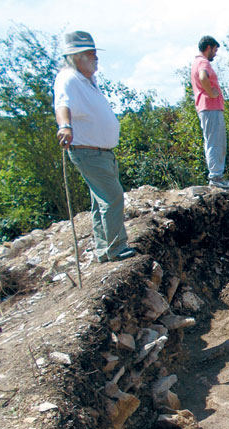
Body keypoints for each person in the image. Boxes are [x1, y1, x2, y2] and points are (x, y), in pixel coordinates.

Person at [54, 31, 136, 264]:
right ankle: (116, 248)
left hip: (100, 152)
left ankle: (104, 248)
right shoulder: (68, 79)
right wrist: (65, 126)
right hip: (87, 150)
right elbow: (63, 104)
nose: (96, 58)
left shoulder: (86, 81)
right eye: (91, 54)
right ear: (76, 56)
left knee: (101, 201)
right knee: (112, 197)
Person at [191, 36, 229, 189]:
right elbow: (203, 76)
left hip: (207, 108)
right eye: (215, 50)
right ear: (208, 47)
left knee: (212, 141)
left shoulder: (197, 62)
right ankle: (216, 177)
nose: (215, 53)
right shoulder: (203, 62)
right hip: (210, 106)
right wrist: (211, 92)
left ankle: (216, 176)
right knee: (216, 141)